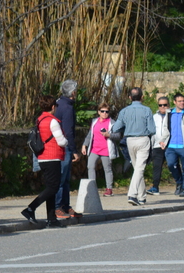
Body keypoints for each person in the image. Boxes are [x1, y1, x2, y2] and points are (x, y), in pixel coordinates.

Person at [21, 94, 69, 228]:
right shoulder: (53, 121)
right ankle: (30, 209)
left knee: (50, 188)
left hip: (42, 157)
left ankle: (51, 218)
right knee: (53, 187)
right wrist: (67, 142)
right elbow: (61, 141)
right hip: (53, 156)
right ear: (53, 106)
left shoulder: (40, 119)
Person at [110, 87, 156, 206]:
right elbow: (152, 129)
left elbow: (115, 128)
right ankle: (132, 194)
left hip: (130, 140)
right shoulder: (147, 110)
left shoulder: (124, 111)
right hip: (143, 139)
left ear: (130, 98)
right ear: (142, 97)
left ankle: (142, 196)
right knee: (140, 169)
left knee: (137, 169)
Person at [158, 92, 184, 196]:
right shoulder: (170, 113)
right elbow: (166, 128)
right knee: (171, 165)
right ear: (174, 102)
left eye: (183, 101)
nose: (182, 103)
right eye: (180, 101)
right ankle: (179, 182)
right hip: (171, 146)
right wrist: (162, 139)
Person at [53, 80, 80, 219]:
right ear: (73, 92)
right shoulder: (67, 108)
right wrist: (74, 149)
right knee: (63, 179)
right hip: (63, 147)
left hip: (59, 145)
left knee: (64, 179)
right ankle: (59, 206)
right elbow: (68, 131)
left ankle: (65, 205)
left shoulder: (58, 104)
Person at [83, 103, 117, 196]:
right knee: (90, 166)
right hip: (94, 149)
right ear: (98, 112)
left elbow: (118, 135)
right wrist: (84, 145)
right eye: (102, 111)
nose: (104, 113)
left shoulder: (112, 123)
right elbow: (90, 135)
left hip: (106, 149)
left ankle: (109, 189)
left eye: (107, 111)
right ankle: (92, 187)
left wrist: (109, 135)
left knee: (107, 169)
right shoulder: (94, 121)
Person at [147, 96, 171, 194]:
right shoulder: (154, 117)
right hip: (157, 145)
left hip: (170, 144)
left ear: (168, 105)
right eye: (160, 105)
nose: (162, 107)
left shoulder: (172, 116)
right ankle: (155, 187)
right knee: (157, 167)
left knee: (173, 165)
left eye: (165, 105)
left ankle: (180, 185)